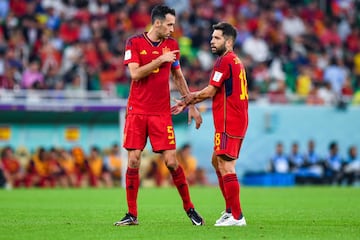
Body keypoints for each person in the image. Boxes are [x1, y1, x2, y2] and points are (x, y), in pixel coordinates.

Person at [114, 5, 204, 226]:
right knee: (133, 160)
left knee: (172, 162)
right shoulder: (133, 43)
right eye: (170, 24)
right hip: (137, 110)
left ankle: (190, 208)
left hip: (161, 113)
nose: (173, 29)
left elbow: (178, 76)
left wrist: (191, 104)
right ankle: (132, 214)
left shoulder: (172, 46)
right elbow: (134, 74)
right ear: (157, 23)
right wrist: (158, 61)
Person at [173, 22, 248, 226]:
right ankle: (230, 210)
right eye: (212, 37)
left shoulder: (225, 61)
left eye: (216, 38)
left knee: (226, 165)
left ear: (229, 42)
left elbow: (209, 91)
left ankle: (237, 216)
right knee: (217, 161)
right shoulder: (234, 61)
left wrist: (186, 100)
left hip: (229, 121)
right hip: (233, 120)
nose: (211, 41)